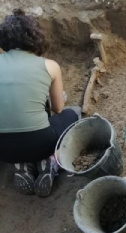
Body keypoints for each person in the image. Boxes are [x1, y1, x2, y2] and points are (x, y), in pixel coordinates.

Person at [0, 9, 80, 197]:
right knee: (73, 113)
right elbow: (58, 108)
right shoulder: (49, 66)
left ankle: (21, 166)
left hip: (3, 151)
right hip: (42, 144)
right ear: (35, 37)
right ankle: (50, 162)